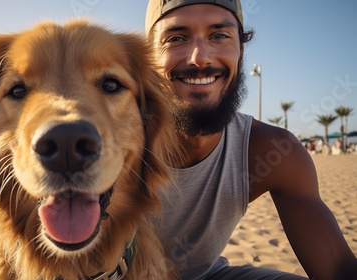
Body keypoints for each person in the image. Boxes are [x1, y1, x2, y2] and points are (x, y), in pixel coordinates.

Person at [145, 0, 357, 279]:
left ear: (241, 51)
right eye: (176, 38)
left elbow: (338, 269)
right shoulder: (109, 139)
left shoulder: (271, 151)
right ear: (147, 57)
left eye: (219, 35)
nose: (200, 57)